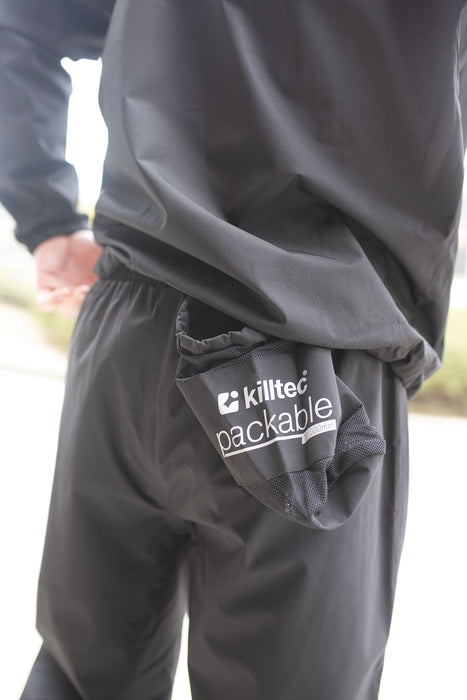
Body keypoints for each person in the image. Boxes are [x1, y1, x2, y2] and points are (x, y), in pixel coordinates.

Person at [1, 2, 466, 698]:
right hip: (324, 346)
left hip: (131, 327)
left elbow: (23, 25)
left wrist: (47, 220)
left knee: (80, 680)